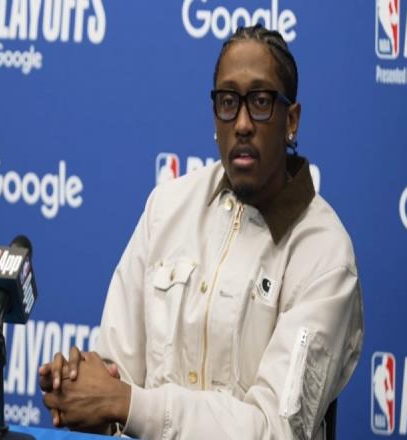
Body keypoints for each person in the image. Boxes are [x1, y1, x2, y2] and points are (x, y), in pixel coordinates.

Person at [40, 24, 363, 439]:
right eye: (228, 102)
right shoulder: (167, 208)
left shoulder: (324, 255)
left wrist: (126, 404)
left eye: (260, 102)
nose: (242, 123)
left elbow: (275, 429)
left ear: (291, 120)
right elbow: (119, 372)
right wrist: (85, 386)